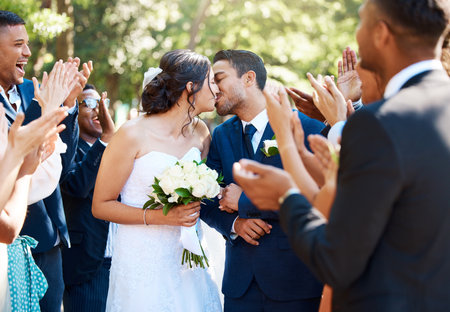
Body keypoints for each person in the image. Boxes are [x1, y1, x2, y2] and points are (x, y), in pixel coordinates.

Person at [233, 0, 450, 311]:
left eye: (362, 22)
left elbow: (336, 259)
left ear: (382, 33)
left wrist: (285, 196)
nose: (357, 36)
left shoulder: (379, 122)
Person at [92, 49, 222, 311]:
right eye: (211, 81)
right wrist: (162, 217)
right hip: (142, 260)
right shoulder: (131, 134)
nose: (217, 89)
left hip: (189, 259)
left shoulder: (200, 131)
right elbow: (101, 205)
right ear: (190, 87)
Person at [199, 49, 324, 312]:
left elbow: (320, 199)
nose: (212, 88)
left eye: (218, 78)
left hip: (295, 282)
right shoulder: (220, 135)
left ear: (248, 78)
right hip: (239, 287)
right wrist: (234, 222)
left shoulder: (307, 127)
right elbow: (205, 198)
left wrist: (245, 201)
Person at [0, 10, 92, 311]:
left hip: (45, 239)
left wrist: (65, 105)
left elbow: (61, 168)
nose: (26, 52)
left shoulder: (35, 91)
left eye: (26, 43)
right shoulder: (43, 97)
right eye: (17, 44)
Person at [60, 84, 115, 312]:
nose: (97, 111)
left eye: (100, 104)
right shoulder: (66, 149)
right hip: (88, 265)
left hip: (121, 263)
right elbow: (77, 185)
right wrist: (104, 141)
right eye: (89, 104)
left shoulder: (117, 149)